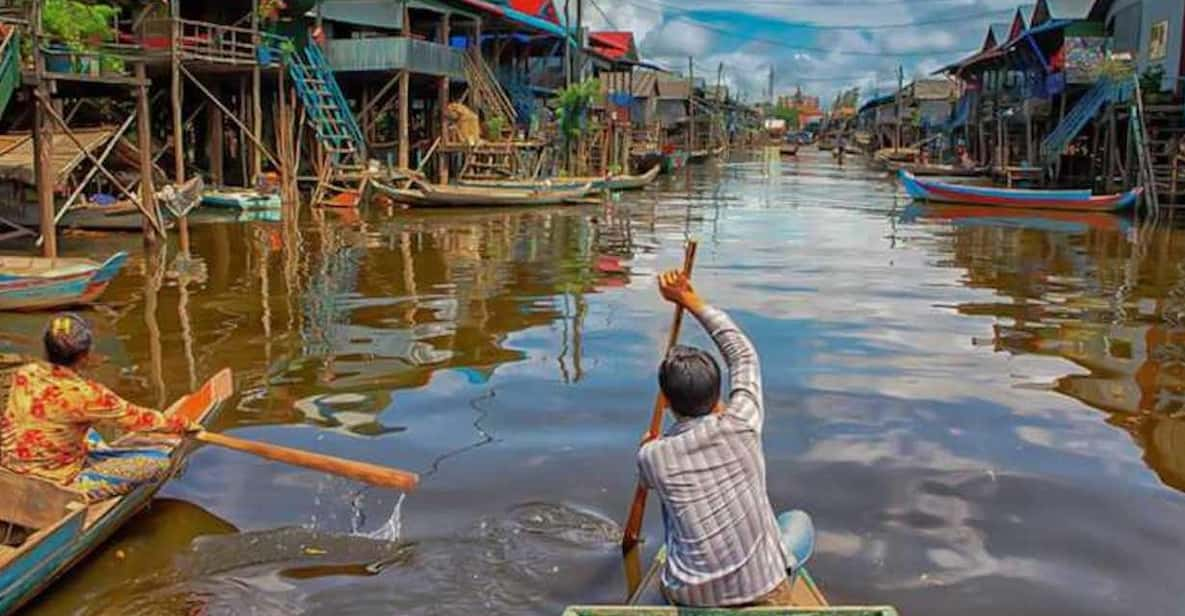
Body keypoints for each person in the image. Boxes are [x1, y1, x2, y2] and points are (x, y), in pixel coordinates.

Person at [638, 271, 815, 607]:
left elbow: (647, 472)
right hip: (763, 590)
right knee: (797, 525)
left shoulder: (652, 457)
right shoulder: (742, 423)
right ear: (718, 395)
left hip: (689, 595)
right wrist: (689, 300)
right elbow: (743, 354)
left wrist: (648, 445)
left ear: (668, 403)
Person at [0, 314, 195, 501]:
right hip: (54, 482)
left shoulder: (25, 373)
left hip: (13, 466)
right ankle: (79, 490)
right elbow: (138, 419)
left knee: (86, 431)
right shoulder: (87, 394)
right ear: (84, 356)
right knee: (159, 463)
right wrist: (183, 425)